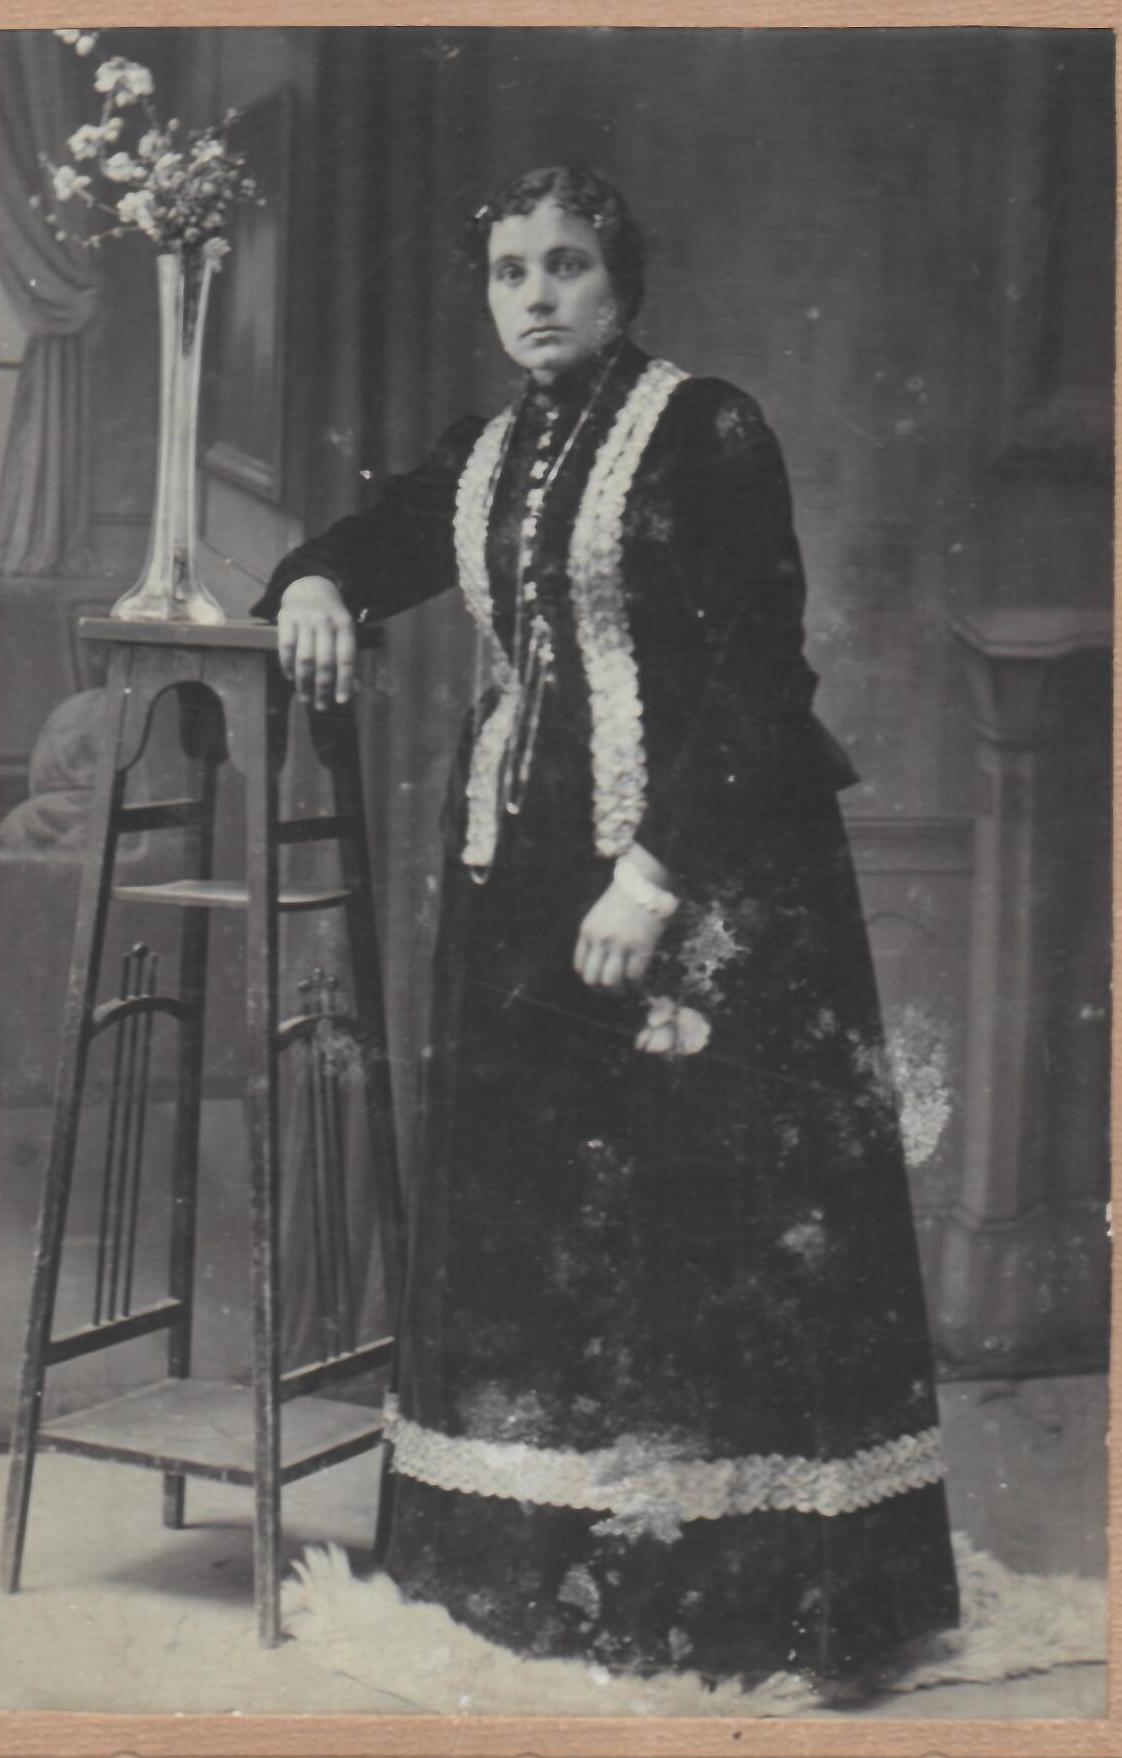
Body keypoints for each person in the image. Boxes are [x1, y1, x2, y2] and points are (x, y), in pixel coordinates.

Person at [253, 165, 960, 1696]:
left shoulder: (706, 428)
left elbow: (758, 673)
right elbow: (381, 538)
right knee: (545, 1225)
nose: (535, 294)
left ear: (620, 281)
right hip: (520, 884)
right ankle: (538, 1581)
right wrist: (312, 579)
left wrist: (652, 876)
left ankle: (725, 1595)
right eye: (508, 269)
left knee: (687, 1221)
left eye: (564, 264)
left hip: (704, 878)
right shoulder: (489, 450)